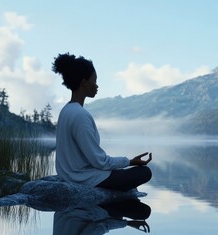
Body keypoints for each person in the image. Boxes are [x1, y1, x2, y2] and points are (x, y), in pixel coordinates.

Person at [52, 53, 152, 192]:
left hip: (71, 176)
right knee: (145, 172)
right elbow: (99, 161)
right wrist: (129, 162)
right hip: (84, 179)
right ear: (84, 82)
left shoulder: (66, 111)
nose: (97, 86)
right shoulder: (80, 115)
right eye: (94, 80)